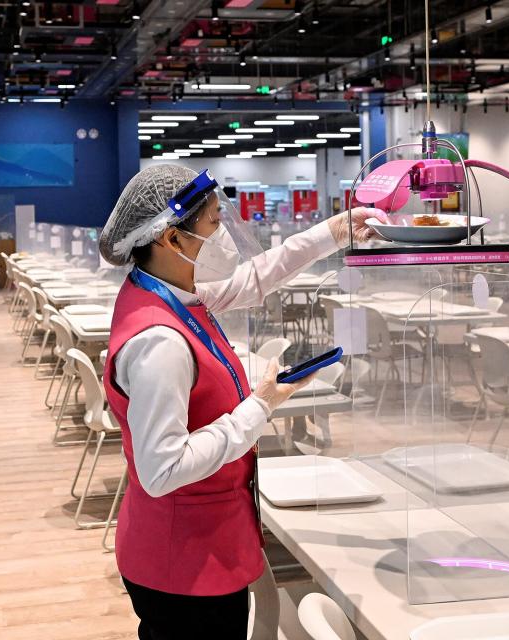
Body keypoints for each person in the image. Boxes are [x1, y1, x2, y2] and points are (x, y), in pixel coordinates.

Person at [98, 165, 386, 640]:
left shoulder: (167, 294)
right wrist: (259, 407)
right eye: (214, 222)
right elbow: (161, 469)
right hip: (183, 561)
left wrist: (332, 233)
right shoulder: (159, 342)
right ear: (172, 238)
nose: (224, 233)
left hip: (200, 541)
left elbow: (254, 279)